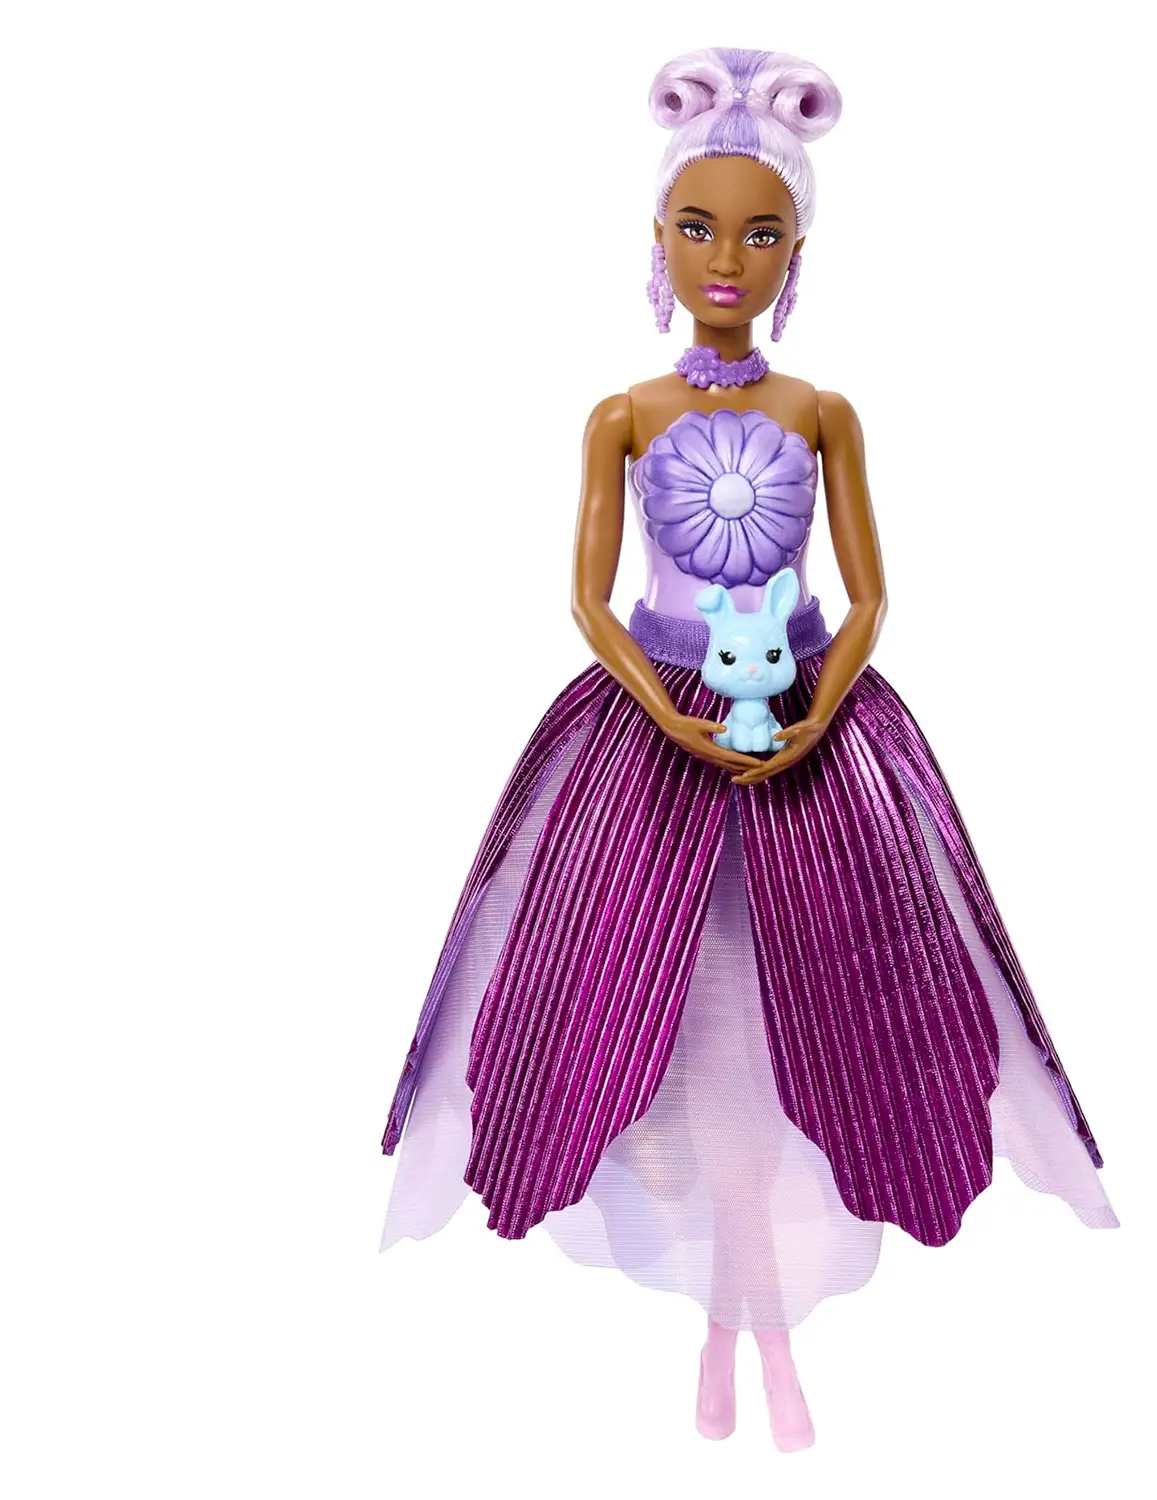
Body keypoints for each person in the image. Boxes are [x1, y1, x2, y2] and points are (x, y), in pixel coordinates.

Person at [379, 46, 1118, 1454]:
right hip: (652, 747)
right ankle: (728, 1328)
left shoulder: (821, 414)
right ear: (657, 237)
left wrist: (822, 711)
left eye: (762, 233)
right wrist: (666, 714)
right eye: (701, 229)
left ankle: (764, 1332)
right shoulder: (624, 417)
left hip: (812, 741)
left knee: (819, 1024)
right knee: (669, 1035)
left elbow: (872, 596)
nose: (730, 261)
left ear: (798, 251)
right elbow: (590, 600)